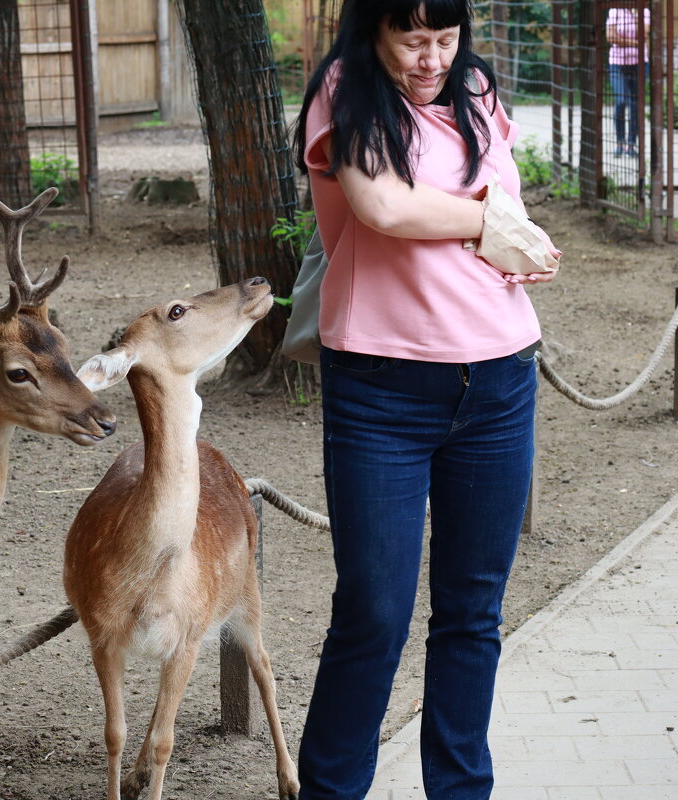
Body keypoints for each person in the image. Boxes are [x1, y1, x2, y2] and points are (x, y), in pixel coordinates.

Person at [292, 1, 562, 798]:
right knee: (374, 614)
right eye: (412, 38)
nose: (430, 57)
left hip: (501, 376)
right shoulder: (345, 89)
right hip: (380, 389)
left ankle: (459, 789)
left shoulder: (474, 86)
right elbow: (383, 205)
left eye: (445, 38)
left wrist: (512, 236)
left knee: (473, 614)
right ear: (372, 31)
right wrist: (482, 220)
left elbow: (499, 201)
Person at [607, 4, 650, 157]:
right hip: (617, 63)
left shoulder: (644, 11)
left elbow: (643, 35)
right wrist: (634, 43)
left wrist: (636, 14)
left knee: (635, 104)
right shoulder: (614, 11)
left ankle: (631, 145)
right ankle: (620, 142)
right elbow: (610, 37)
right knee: (621, 100)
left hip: (639, 63)